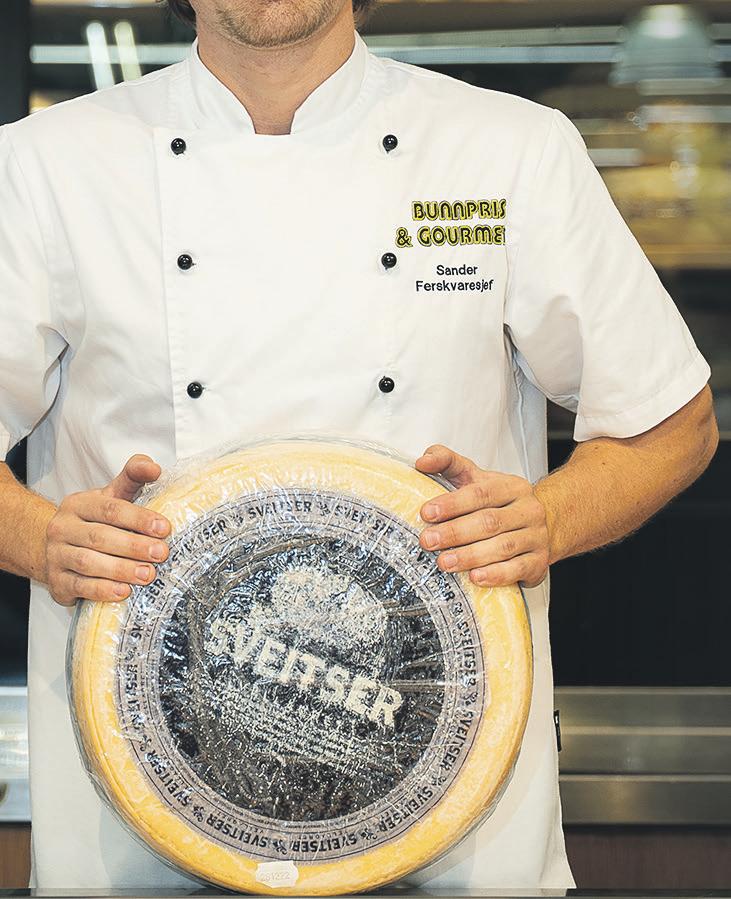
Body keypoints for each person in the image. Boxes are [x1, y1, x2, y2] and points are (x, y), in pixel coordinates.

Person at [0, 0, 718, 890]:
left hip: (453, 807)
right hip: (138, 811)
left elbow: (672, 422)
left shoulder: (508, 151)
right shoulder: (44, 164)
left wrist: (547, 519)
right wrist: (44, 540)